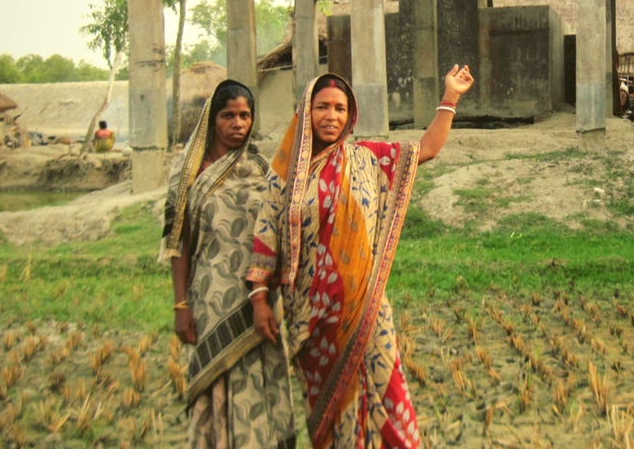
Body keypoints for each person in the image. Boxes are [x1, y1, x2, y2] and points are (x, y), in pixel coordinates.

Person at [247, 64, 475, 449]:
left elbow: (428, 149)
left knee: (387, 394)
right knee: (330, 412)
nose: (331, 116)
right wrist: (258, 299)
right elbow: (266, 232)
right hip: (312, 318)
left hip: (366, 310)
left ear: (349, 115)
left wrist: (450, 97)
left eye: (339, 108)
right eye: (322, 107)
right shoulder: (284, 172)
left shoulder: (366, 159)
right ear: (306, 112)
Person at [162, 80, 296, 449]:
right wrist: (180, 305)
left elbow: (278, 233)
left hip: (259, 298)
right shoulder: (187, 176)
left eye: (245, 115)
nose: (238, 123)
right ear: (212, 120)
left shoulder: (262, 170)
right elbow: (179, 245)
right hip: (209, 297)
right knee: (216, 378)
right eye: (228, 116)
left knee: (258, 376)